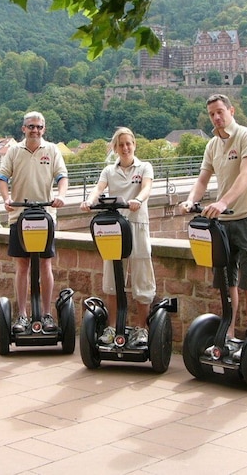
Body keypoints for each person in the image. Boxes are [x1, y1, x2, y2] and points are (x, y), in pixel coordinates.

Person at [179, 93, 247, 344]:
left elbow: (246, 174)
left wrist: (222, 202)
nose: (216, 117)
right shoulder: (212, 145)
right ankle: (227, 335)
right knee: (227, 283)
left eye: (220, 111)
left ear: (231, 111)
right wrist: (190, 201)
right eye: (211, 114)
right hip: (224, 223)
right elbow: (202, 179)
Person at [80, 127, 155, 348]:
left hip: (137, 225)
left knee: (142, 278)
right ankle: (112, 327)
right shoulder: (109, 171)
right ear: (115, 148)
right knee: (113, 279)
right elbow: (98, 188)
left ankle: (142, 328)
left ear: (134, 145)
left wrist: (138, 200)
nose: (125, 148)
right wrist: (89, 201)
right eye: (120, 144)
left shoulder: (144, 167)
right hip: (114, 228)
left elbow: (147, 187)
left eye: (128, 143)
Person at [0, 111, 68, 334]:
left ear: (44, 129)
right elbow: (2, 177)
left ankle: (46, 313)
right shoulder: (14, 151)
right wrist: (7, 198)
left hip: (45, 216)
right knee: (22, 265)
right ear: (23, 129)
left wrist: (61, 195)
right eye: (30, 126)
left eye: (38, 126)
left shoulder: (52, 150)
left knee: (45, 264)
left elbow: (62, 176)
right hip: (19, 215)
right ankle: (22, 315)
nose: (35, 130)